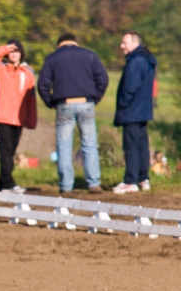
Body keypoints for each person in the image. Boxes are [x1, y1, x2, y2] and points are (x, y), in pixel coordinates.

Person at [36, 32, 108, 194]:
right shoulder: (89, 55)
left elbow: (42, 85)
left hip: (64, 105)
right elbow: (103, 79)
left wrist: (51, 102)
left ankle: (66, 185)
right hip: (86, 103)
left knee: (64, 144)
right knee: (89, 144)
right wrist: (95, 98)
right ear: (76, 43)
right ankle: (93, 182)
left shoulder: (52, 58)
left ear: (59, 44)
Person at [0, 39, 37, 193]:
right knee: (6, 150)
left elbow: (31, 98)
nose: (14, 54)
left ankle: (3, 184)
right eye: (11, 52)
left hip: (19, 118)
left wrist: (31, 120)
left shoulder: (28, 72)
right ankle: (8, 183)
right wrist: (3, 49)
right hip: (2, 116)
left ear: (21, 54)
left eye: (16, 51)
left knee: (11, 151)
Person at [112, 31, 158, 194]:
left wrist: (123, 105)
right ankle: (143, 178)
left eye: (125, 43)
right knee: (141, 146)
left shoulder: (136, 61)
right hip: (143, 110)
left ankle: (130, 180)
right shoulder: (146, 59)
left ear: (135, 43)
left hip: (132, 110)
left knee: (131, 146)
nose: (121, 46)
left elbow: (130, 87)